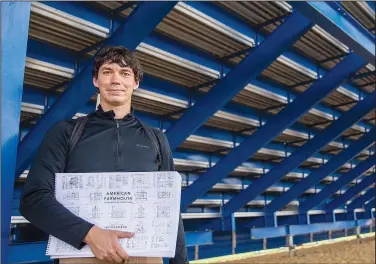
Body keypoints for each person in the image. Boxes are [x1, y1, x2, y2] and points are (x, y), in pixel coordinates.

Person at [20, 46, 188, 264]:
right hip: (82, 254)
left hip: (144, 256)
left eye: (125, 73)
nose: (116, 80)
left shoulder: (156, 139)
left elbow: (170, 209)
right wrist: (90, 234)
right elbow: (33, 198)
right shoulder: (66, 133)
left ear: (135, 83)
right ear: (95, 81)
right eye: (107, 72)